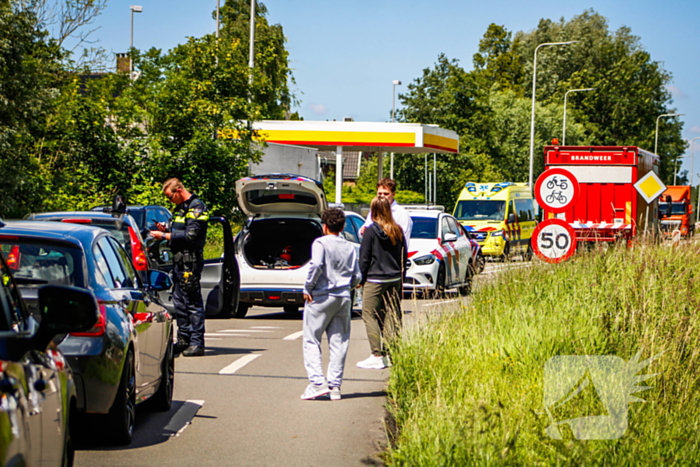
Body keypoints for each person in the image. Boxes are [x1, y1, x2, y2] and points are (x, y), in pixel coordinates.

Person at [301, 208, 362, 401]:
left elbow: (316, 265)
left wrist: (308, 287)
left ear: (324, 226)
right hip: (343, 298)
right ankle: (335, 386)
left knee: (312, 339)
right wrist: (348, 287)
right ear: (343, 226)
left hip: (321, 296)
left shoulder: (320, 243)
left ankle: (317, 382)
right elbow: (357, 276)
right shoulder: (349, 247)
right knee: (339, 342)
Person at [150, 178, 209, 357]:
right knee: (179, 302)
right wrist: (165, 228)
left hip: (189, 262)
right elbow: (178, 227)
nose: (169, 201)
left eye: (170, 197)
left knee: (192, 302)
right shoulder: (181, 208)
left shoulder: (197, 208)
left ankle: (197, 342)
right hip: (178, 261)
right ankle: (183, 340)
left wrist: (165, 236)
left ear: (179, 190)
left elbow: (191, 235)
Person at [357, 197, 407, 370]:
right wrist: (402, 278)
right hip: (394, 278)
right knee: (391, 315)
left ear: (374, 211)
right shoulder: (397, 230)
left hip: (375, 278)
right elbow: (404, 257)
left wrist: (360, 279)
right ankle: (392, 353)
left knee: (369, 313)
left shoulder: (371, 231)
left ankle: (377, 354)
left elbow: (364, 257)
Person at [360, 178, 413, 248]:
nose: (382, 196)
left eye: (386, 194)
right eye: (379, 193)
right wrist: (362, 231)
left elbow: (404, 241)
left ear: (393, 194)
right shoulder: (374, 211)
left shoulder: (401, 214)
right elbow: (365, 231)